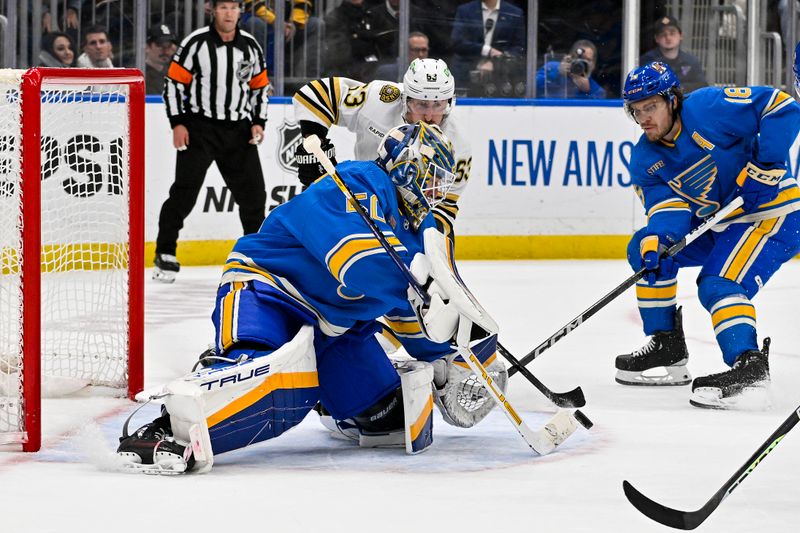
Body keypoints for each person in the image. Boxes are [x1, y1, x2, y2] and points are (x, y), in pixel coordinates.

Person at [115, 123, 502, 473]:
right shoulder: (358, 180)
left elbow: (420, 313)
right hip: (271, 289)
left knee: (390, 420)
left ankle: (326, 398)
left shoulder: (426, 230)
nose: (436, 191)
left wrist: (451, 358)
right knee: (277, 380)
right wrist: (419, 283)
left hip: (338, 329)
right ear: (406, 167)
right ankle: (170, 421)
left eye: (442, 182)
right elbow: (354, 259)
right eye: (431, 177)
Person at [615, 61, 800, 410]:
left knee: (719, 283)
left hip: (773, 214)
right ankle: (667, 344)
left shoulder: (707, 107)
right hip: (723, 223)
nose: (644, 119)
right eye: (636, 112)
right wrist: (659, 240)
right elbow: (668, 212)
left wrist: (769, 165)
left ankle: (749, 367)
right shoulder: (644, 158)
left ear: (672, 100)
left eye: (650, 107)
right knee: (645, 250)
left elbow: (781, 106)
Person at [292, 58, 470, 241]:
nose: (429, 116)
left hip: (408, 221)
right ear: (406, 99)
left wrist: (430, 238)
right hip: (358, 197)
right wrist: (314, 140)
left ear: (449, 102)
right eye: (422, 104)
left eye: (438, 105)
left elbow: (445, 207)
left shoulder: (458, 146)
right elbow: (316, 93)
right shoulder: (380, 99)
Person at [155, 0, 270, 283]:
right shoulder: (195, 43)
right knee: (184, 193)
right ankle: (165, 252)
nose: (229, 13)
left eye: (233, 7)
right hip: (200, 130)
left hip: (239, 132)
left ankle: (254, 258)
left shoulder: (251, 46)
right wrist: (178, 122)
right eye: (223, 8)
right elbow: (172, 84)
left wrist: (258, 121)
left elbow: (259, 88)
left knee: (254, 197)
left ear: (240, 12)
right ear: (212, 11)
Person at [449, 0, 525, 86]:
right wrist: (487, 50)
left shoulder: (514, 13)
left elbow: (518, 48)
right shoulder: (465, 10)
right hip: (466, 75)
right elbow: (457, 42)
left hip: (501, 79)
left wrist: (496, 63)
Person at [640, 15, 708, 93]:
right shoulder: (647, 61)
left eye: (672, 33)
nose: (668, 37)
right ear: (656, 39)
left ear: (681, 36)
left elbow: (702, 86)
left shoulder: (691, 62)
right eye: (663, 34)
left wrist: (679, 88)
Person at [536, 40, 605, 99]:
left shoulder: (597, 91)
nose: (581, 63)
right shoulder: (551, 67)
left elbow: (596, 111)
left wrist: (587, 91)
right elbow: (532, 87)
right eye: (578, 58)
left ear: (593, 65)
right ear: (569, 58)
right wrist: (557, 72)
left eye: (587, 60)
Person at [144, 24, 178, 95]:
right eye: (160, 45)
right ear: (147, 47)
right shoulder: (138, 76)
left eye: (169, 45)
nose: (166, 51)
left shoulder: (175, 75)